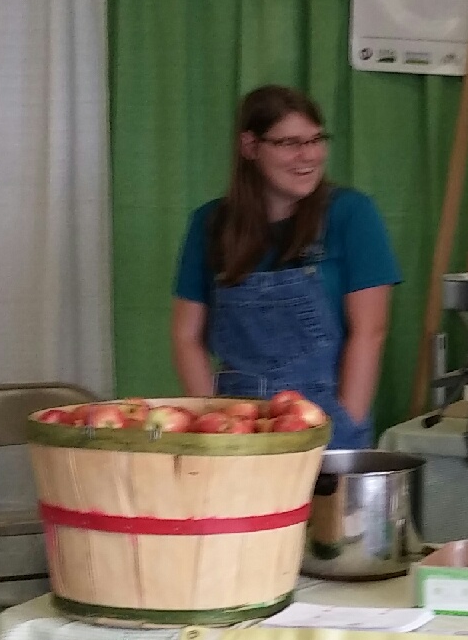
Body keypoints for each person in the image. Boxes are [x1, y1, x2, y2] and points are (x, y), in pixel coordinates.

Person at [171, 85, 399, 451]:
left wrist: (347, 420)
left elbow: (370, 332)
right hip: (238, 422)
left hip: (322, 421)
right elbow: (186, 336)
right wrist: (211, 420)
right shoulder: (210, 224)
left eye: (316, 139)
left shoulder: (350, 214)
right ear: (250, 146)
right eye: (289, 143)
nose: (308, 155)